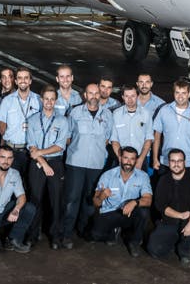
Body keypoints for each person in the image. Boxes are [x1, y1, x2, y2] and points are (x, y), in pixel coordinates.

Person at [60, 83, 113, 249]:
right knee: (72, 199)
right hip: (76, 163)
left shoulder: (107, 114)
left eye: (97, 93)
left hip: (96, 164)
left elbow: (107, 138)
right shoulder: (75, 113)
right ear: (85, 95)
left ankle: (83, 230)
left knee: (90, 199)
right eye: (91, 93)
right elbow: (68, 136)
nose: (94, 96)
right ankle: (66, 234)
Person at [146, 148, 190, 266]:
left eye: (179, 161)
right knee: (154, 250)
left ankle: (184, 250)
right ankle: (175, 239)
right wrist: (180, 215)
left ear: (185, 162)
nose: (176, 164)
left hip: (189, 219)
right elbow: (160, 205)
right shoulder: (163, 180)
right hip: (169, 221)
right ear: (168, 162)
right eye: (173, 161)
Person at [25, 85, 70, 248]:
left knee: (56, 200)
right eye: (46, 99)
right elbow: (31, 147)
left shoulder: (62, 121)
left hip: (55, 162)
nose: (49, 102)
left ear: (55, 101)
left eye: (52, 99)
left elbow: (60, 146)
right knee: (35, 199)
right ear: (41, 100)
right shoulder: (32, 120)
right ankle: (32, 234)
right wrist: (43, 163)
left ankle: (55, 236)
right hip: (38, 163)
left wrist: (41, 153)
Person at [90, 147, 153, 257]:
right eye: (125, 158)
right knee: (95, 235)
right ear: (120, 158)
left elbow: (148, 200)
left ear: (136, 160)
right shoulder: (107, 175)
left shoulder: (143, 176)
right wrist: (102, 196)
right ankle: (113, 232)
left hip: (130, 213)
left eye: (132, 159)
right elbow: (96, 203)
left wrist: (134, 202)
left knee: (144, 212)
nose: (128, 162)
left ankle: (134, 242)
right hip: (111, 212)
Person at [152, 80, 190, 175]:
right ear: (174, 93)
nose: (180, 96)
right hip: (167, 162)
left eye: (183, 93)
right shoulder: (164, 110)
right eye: (177, 92)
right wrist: (155, 159)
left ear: (189, 94)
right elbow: (157, 137)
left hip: (189, 163)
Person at [0, 67, 41, 177]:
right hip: (12, 151)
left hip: (32, 151)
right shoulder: (7, 101)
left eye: (26, 78)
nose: (23, 81)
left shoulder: (39, 100)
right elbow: (2, 128)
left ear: (30, 81)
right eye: (20, 78)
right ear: (16, 81)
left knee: (30, 183)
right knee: (11, 182)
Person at [111, 85, 153, 172]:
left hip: (140, 158)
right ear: (123, 97)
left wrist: (140, 160)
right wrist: (120, 159)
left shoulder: (146, 114)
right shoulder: (116, 114)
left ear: (137, 96)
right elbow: (114, 140)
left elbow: (148, 139)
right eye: (127, 96)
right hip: (121, 158)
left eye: (133, 96)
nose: (130, 99)